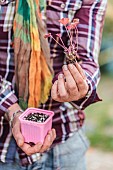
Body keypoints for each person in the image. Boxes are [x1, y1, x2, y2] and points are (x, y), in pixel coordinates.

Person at [0, 0, 107, 169]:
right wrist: (12, 110)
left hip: (63, 146)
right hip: (3, 147)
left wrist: (80, 84)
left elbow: (87, 60)